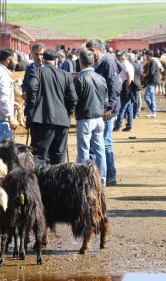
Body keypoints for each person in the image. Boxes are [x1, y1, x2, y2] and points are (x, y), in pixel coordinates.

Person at [27, 49, 77, 165]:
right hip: (62, 120)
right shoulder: (65, 75)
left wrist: (32, 106)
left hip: (42, 120)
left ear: (43, 60)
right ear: (56, 61)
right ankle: (58, 182)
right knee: (59, 157)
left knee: (39, 155)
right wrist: (68, 113)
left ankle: (40, 182)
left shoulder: (37, 72)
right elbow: (73, 98)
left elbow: (32, 88)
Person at [86, 39, 121, 186]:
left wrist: (110, 108)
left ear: (98, 49)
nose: (89, 54)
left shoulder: (107, 62)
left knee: (105, 143)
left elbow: (114, 87)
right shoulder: (98, 62)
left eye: (91, 51)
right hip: (99, 108)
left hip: (107, 109)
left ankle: (111, 175)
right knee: (100, 143)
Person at [74, 50, 110, 185]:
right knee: (100, 149)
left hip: (85, 118)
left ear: (80, 62)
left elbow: (75, 99)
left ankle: (83, 180)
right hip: (99, 118)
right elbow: (105, 99)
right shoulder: (100, 78)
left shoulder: (80, 78)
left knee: (83, 150)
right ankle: (102, 179)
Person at [113, 51, 135, 132]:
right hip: (127, 88)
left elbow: (128, 75)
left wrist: (127, 87)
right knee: (129, 108)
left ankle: (118, 126)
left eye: (118, 59)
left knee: (122, 108)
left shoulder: (126, 65)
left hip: (126, 88)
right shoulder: (127, 64)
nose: (118, 61)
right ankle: (129, 125)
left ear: (122, 58)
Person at [143, 50, 161, 118]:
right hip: (152, 81)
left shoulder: (153, 62)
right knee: (151, 97)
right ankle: (153, 112)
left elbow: (152, 73)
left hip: (152, 82)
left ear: (150, 56)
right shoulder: (152, 62)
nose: (146, 57)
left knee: (146, 96)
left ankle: (152, 110)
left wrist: (145, 77)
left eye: (147, 56)